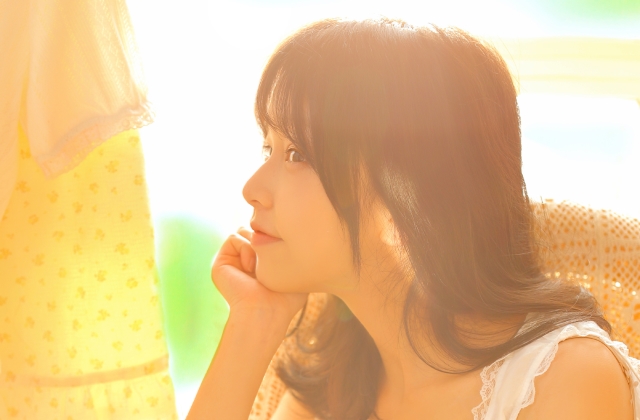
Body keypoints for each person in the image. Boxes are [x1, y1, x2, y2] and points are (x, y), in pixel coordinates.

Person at [187, 17, 639, 420]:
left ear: (410, 193)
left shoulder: (563, 380)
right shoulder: (335, 387)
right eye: (267, 147)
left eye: (297, 154)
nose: (252, 189)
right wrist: (254, 323)